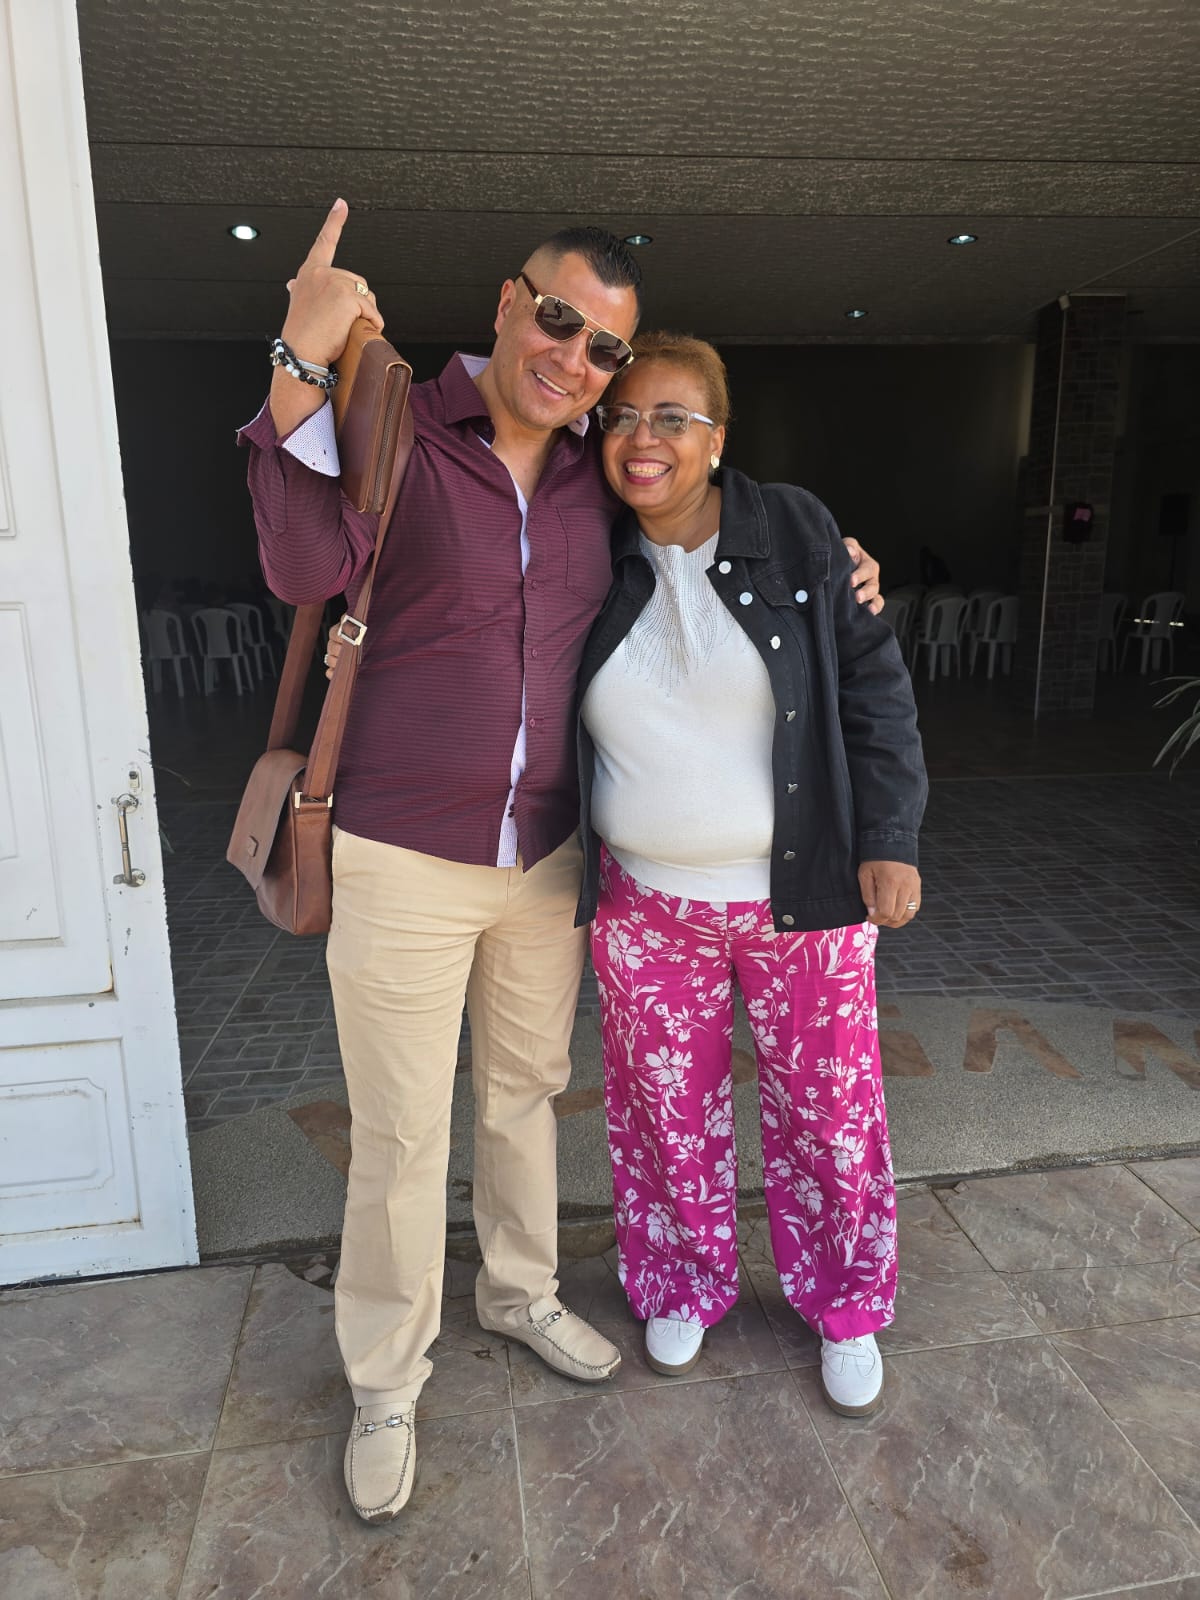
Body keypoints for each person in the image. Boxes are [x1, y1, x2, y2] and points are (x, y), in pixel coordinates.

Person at [244, 203, 884, 1523]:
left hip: (545, 856)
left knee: (525, 1095)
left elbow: (709, 517)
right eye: (556, 320)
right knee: (401, 1131)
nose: (575, 358)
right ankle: (386, 1378)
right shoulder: (400, 427)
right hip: (401, 848)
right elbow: (300, 563)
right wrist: (299, 362)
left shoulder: (605, 473)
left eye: (604, 348)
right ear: (506, 303)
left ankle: (520, 1290)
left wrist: (837, 564)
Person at [573, 331, 926, 1416]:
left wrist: (891, 834)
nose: (643, 438)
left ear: (718, 438)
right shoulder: (587, 546)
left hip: (804, 895)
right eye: (622, 415)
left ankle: (847, 1305)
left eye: (672, 418)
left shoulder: (799, 532)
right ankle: (683, 1280)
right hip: (645, 903)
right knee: (663, 1114)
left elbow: (873, 689)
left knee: (830, 1116)